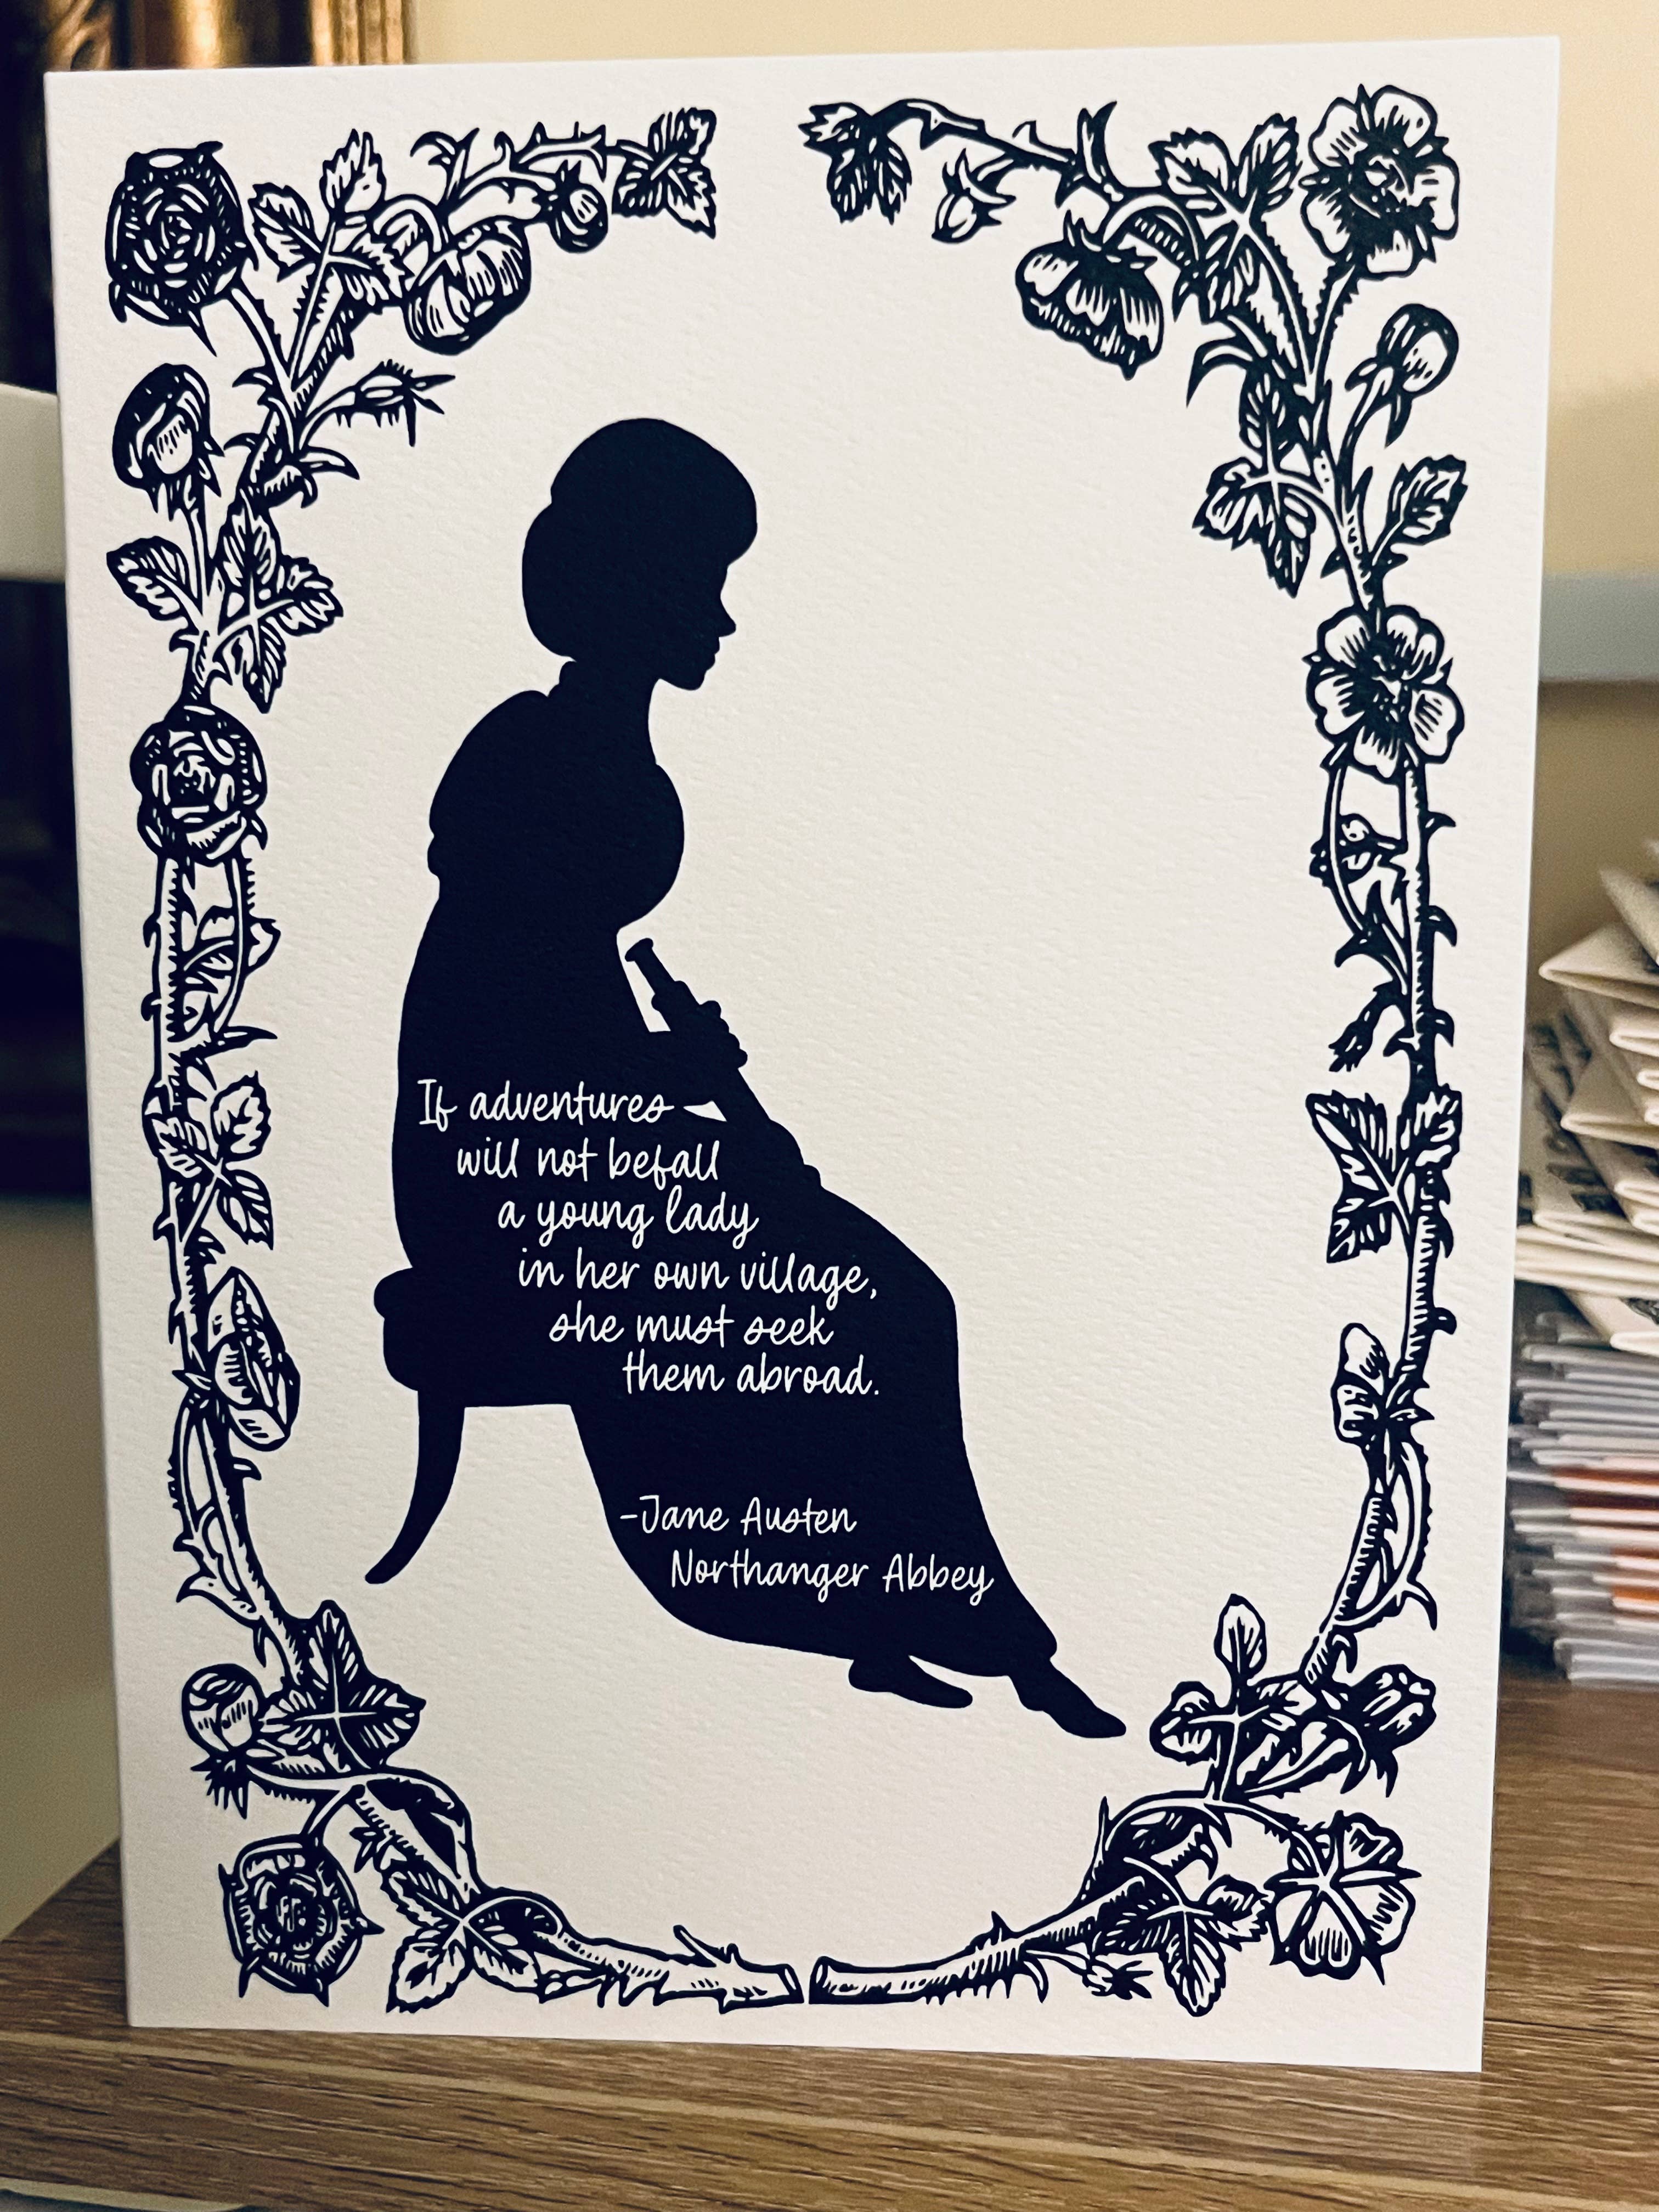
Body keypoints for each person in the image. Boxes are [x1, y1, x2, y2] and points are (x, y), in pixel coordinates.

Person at [386, 417, 1120, 1737]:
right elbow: (497, 1019)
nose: (721, 618)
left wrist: (675, 1081)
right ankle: (928, 1620)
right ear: (634, 586)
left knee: (898, 1305)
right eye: (700, 583)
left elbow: (566, 999)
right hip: (504, 1163)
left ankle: (923, 1620)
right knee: (878, 1305)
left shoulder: (600, 746)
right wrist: (665, 1085)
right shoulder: (534, 752)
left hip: (584, 1129)